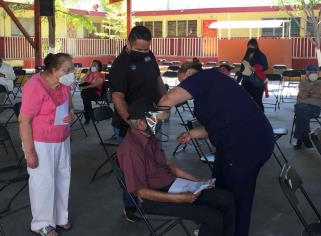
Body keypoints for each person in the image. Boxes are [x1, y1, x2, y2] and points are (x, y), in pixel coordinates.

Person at [158, 68, 274, 236]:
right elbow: (217, 124)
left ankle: (235, 232)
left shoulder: (203, 77)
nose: (182, 86)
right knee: (220, 187)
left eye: (182, 81)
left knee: (237, 195)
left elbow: (168, 98)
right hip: (240, 141)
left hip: (246, 144)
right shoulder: (212, 87)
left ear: (190, 73)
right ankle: (219, 227)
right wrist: (192, 134)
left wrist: (149, 118)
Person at [117, 101, 236, 236]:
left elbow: (169, 164)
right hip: (154, 199)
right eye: (155, 120)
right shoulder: (131, 149)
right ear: (140, 123)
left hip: (173, 187)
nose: (159, 123)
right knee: (212, 217)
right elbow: (141, 192)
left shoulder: (149, 137)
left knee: (227, 198)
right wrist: (179, 198)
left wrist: (198, 182)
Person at [109, 25, 166, 222]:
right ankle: (130, 206)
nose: (143, 53)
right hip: (130, 122)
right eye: (139, 49)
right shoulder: (120, 64)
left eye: (146, 49)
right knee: (132, 168)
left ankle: (152, 198)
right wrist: (130, 121)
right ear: (128, 43)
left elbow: (158, 79)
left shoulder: (150, 57)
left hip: (152, 116)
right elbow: (117, 96)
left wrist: (164, 103)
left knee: (153, 160)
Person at [19, 53, 75, 236]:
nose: (71, 73)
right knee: (43, 182)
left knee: (62, 178)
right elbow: (24, 121)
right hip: (41, 142)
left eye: (71, 69)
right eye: (67, 70)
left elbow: (70, 106)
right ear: (53, 70)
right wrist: (30, 152)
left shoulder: (64, 85)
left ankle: (60, 217)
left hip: (62, 138)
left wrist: (71, 114)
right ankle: (41, 223)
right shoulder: (34, 86)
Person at [293, 64, 321, 149]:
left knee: (301, 113)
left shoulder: (320, 83)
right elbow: (302, 95)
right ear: (307, 73)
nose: (313, 73)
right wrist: (314, 92)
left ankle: (301, 138)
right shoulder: (302, 82)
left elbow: (305, 95)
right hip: (301, 105)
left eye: (315, 72)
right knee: (303, 110)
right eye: (311, 72)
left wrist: (308, 93)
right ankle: (304, 136)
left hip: (314, 108)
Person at [238, 38, 268, 112]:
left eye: (252, 46)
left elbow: (266, 66)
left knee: (258, 102)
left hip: (257, 83)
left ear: (256, 46)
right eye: (249, 46)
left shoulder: (261, 55)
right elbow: (242, 70)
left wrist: (256, 68)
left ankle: (261, 119)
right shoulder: (246, 56)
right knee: (244, 101)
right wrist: (237, 80)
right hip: (246, 82)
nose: (250, 48)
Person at [79, 60, 104, 124]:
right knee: (86, 97)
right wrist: (87, 73)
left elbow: (95, 85)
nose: (92, 66)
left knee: (85, 95)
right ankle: (89, 115)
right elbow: (81, 81)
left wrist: (84, 87)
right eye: (92, 65)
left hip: (96, 93)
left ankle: (88, 116)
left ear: (98, 67)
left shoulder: (101, 75)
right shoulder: (89, 74)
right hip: (87, 93)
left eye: (94, 65)